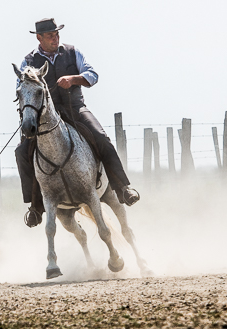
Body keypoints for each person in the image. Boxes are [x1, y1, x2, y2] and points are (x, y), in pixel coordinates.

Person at [15, 18, 140, 228]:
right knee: (21, 152)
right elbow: (22, 88)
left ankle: (122, 188)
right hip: (46, 116)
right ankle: (35, 207)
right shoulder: (27, 62)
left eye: (56, 34)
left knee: (101, 138)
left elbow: (92, 75)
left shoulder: (72, 52)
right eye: (50, 35)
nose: (55, 38)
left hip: (76, 109)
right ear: (39, 38)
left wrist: (73, 79)